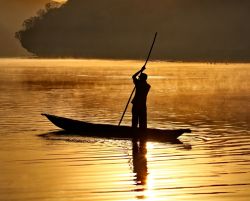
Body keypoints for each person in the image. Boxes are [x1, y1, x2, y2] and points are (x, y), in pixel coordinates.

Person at [131, 66, 151, 130]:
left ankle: (135, 132)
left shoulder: (139, 84)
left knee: (135, 120)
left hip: (136, 104)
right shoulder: (148, 86)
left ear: (141, 79)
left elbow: (133, 76)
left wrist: (141, 70)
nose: (138, 78)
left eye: (139, 78)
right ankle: (142, 133)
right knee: (143, 121)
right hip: (143, 105)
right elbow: (135, 78)